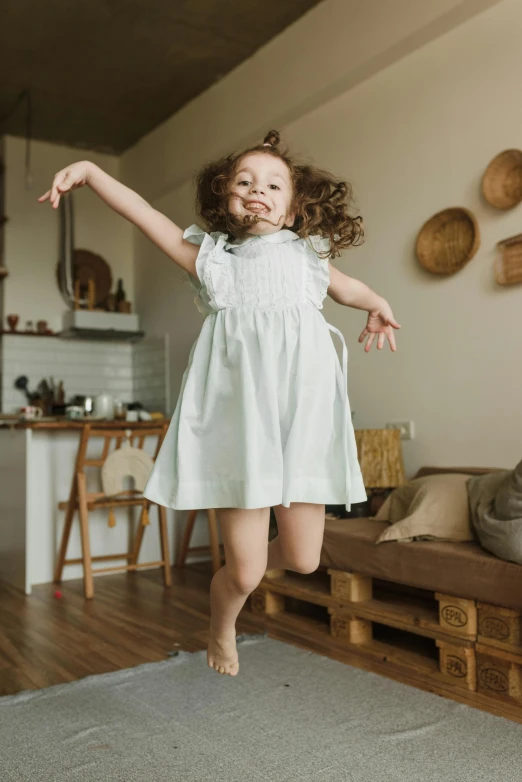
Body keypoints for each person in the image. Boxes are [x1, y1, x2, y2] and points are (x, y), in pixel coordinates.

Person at [39, 130, 400, 678]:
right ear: (225, 199)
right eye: (245, 182)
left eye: (273, 184)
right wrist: (90, 169)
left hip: (303, 423)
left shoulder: (310, 256)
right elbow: (142, 212)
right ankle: (222, 624)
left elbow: (350, 290)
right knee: (247, 572)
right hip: (243, 429)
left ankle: (247, 570)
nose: (259, 190)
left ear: (294, 204)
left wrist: (378, 305)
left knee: (303, 559)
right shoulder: (213, 260)